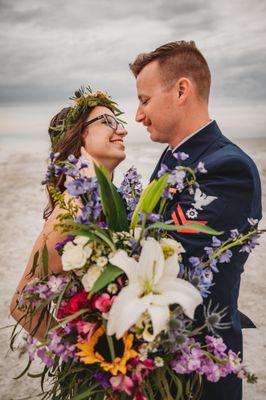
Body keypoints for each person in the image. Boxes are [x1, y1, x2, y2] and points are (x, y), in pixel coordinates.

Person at [130, 41, 262, 400]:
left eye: (144, 100)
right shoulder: (174, 157)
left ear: (181, 90)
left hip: (198, 374)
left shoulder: (228, 168)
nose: (139, 116)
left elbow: (167, 260)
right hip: (157, 365)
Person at [9, 88, 127, 341]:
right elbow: (22, 306)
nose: (122, 130)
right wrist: (84, 356)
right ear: (79, 136)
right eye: (108, 122)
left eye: (118, 122)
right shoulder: (70, 212)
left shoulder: (115, 200)